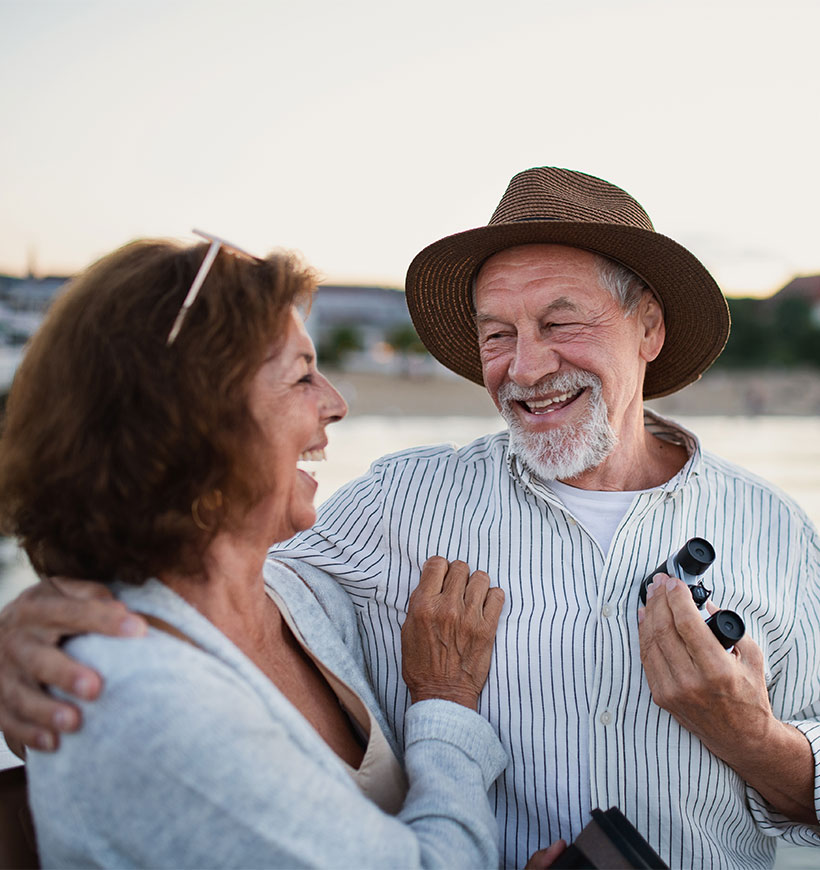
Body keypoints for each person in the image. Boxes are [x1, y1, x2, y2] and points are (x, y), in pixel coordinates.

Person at [2, 168, 819, 868]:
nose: (525, 367)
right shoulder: (396, 505)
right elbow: (205, 581)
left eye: (560, 322)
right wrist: (34, 620)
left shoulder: (780, 532)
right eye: (497, 333)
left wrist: (752, 736)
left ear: (650, 328)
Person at [0, 233, 513, 868]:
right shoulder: (148, 697)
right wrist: (445, 703)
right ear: (194, 425)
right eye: (302, 376)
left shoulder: (291, 591)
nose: (336, 403)